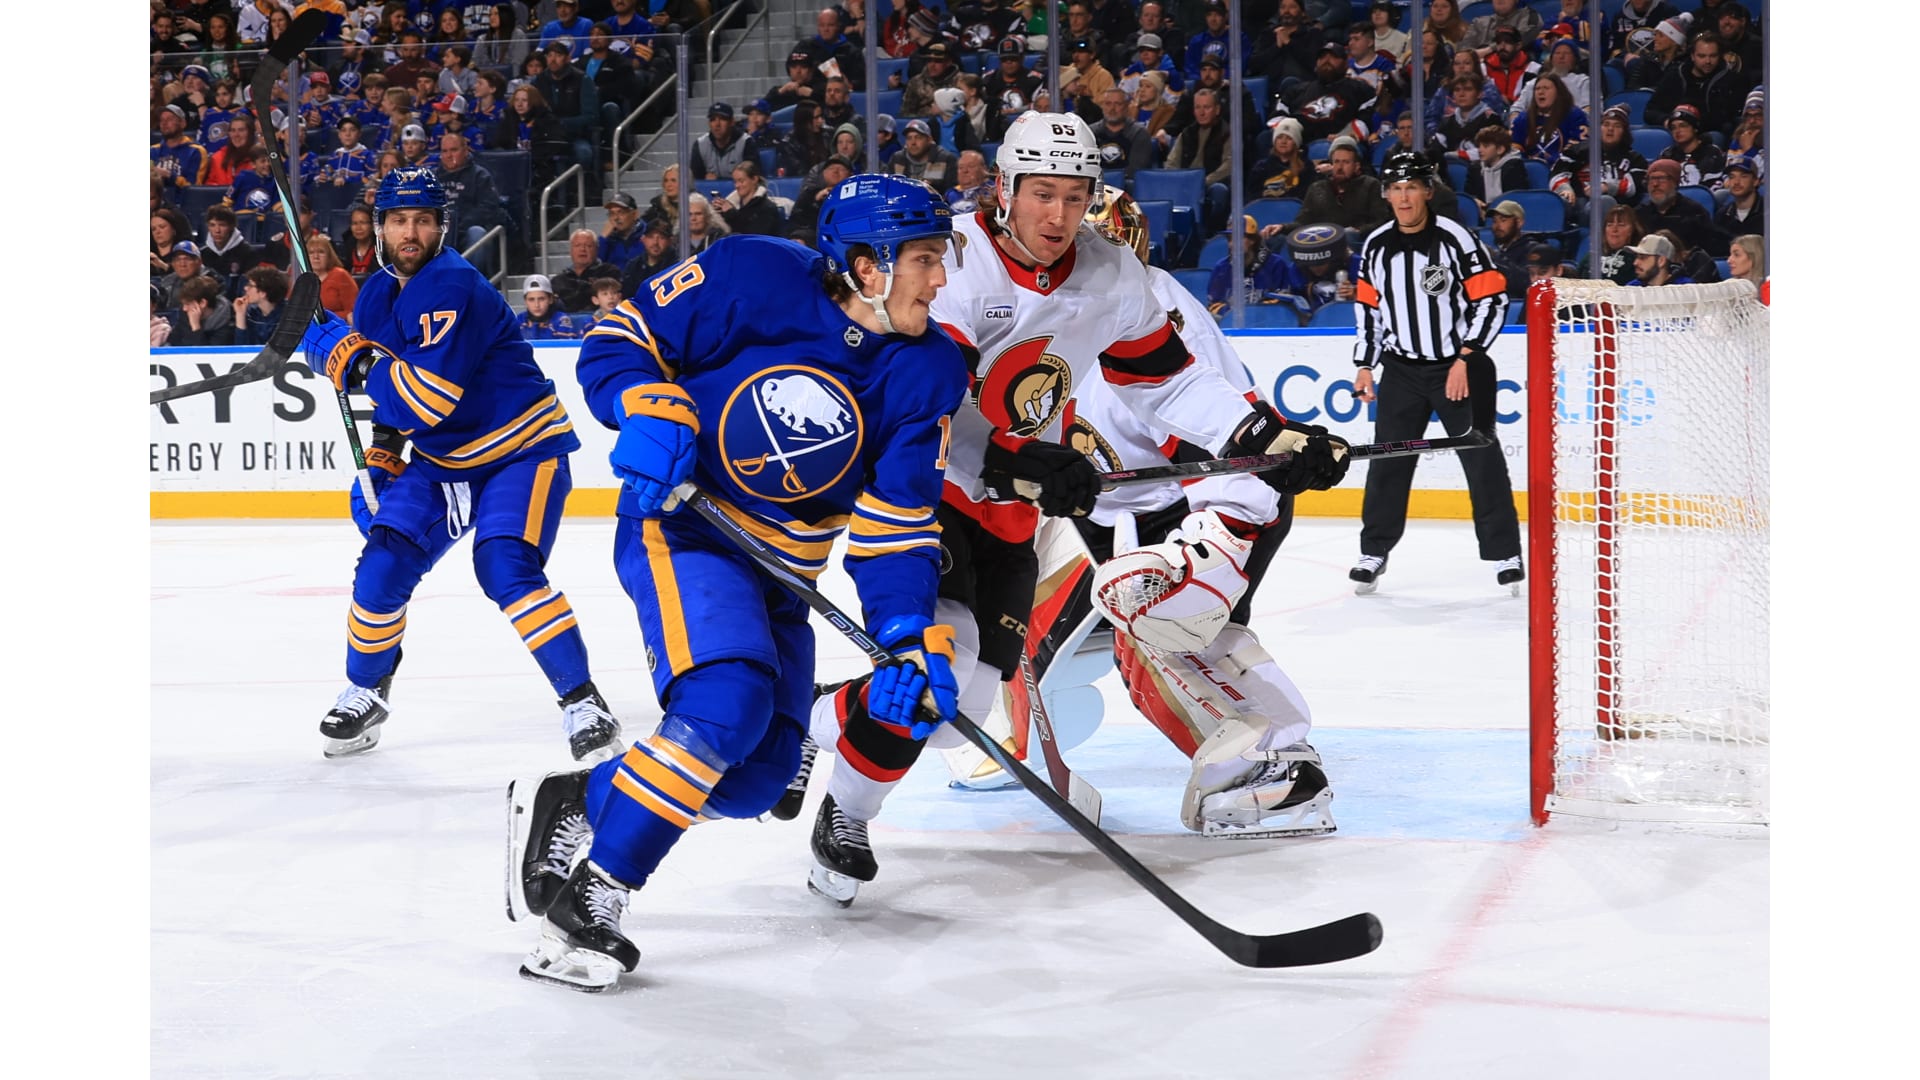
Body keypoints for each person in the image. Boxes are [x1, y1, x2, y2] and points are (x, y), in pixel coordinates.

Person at [792, 113, 1350, 904]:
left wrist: (1264, 434)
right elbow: (925, 400)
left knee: (958, 715)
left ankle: (808, 719)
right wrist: (1015, 460)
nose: (1058, 215)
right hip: (926, 498)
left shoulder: (1111, 273)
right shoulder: (953, 261)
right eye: (1042, 194)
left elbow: (1166, 381)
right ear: (1004, 189)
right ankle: (847, 817)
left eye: (1075, 195)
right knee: (933, 682)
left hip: (1011, 517)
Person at [506, 175, 968, 991]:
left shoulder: (928, 369)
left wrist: (904, 633)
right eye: (925, 260)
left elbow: (898, 526)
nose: (939, 281)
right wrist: (645, 404)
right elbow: (620, 338)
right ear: (867, 266)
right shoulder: (751, 271)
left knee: (757, 778)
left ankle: (584, 797)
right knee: (726, 702)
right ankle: (591, 901)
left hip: (786, 575)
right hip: (687, 530)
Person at [294, 168, 618, 762]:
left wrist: (352, 362)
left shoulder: (453, 285)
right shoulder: (376, 294)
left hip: (522, 451)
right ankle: (367, 691)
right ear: (379, 228)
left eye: (422, 220)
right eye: (398, 220)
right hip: (443, 460)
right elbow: (395, 405)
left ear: (440, 226)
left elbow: (426, 398)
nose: (409, 233)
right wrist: (384, 456)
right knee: (382, 565)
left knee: (505, 565)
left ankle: (583, 701)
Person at [1348, 151, 1522, 595]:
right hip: (1401, 370)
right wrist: (1365, 364)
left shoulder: (1456, 239)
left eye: (1412, 187)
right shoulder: (1376, 245)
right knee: (1388, 462)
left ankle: (1505, 552)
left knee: (1482, 458)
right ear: (1386, 194)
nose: (1404, 197)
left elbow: (1492, 299)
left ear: (1427, 191)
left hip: (1455, 367)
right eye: (1396, 188)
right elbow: (1368, 310)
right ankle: (1373, 551)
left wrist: (1467, 357)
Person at [1646, 30, 1747, 136]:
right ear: (1693, 56)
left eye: (1713, 56)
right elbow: (1650, 112)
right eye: (1702, 56)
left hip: (1708, 134)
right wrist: (1668, 121)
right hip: (1674, 131)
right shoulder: (1674, 76)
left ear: (1720, 56)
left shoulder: (1731, 80)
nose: (1708, 61)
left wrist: (1691, 125)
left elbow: (1726, 118)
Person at [1299, 138, 1388, 233]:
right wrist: (1287, 228)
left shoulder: (1371, 185)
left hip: (1359, 238)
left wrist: (1359, 231)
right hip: (1323, 238)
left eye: (1346, 162)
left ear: (1356, 166)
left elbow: (1381, 220)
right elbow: (1302, 222)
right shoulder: (1317, 188)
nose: (1340, 167)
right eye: (1336, 162)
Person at [1637, 158, 1724, 257]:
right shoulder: (1640, 213)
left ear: (1675, 182)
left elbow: (1707, 249)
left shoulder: (1694, 212)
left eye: (1661, 178)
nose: (1655, 184)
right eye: (1651, 179)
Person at [1657, 103, 1726, 189]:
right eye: (1673, 127)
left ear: (1695, 128)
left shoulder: (1712, 152)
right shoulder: (1667, 154)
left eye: (1683, 126)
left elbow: (1716, 184)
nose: (1677, 131)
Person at [552, 229, 623, 314]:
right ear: (571, 250)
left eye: (588, 246)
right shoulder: (558, 280)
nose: (582, 249)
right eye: (577, 245)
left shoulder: (609, 272)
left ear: (597, 249)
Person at [712, 160, 788, 236]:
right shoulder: (731, 205)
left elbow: (753, 237)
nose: (737, 185)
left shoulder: (767, 208)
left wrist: (731, 215)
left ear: (754, 179)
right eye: (735, 181)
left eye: (741, 181)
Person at [887, 119, 959, 194]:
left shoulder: (946, 159)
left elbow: (953, 193)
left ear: (929, 140)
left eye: (918, 137)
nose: (913, 142)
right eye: (909, 138)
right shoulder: (897, 159)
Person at [1251, 117, 1315, 201]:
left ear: (1296, 143)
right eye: (1279, 137)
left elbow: (1307, 197)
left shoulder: (1307, 167)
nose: (1283, 142)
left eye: (1289, 138)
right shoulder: (1261, 167)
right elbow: (1250, 197)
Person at [231, 266, 292, 347]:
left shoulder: (289, 315)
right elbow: (241, 349)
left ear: (263, 293)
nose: (245, 288)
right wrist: (240, 315)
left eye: (250, 285)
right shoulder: (251, 314)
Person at [619, 218, 679, 297]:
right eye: (651, 237)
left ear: (670, 241)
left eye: (661, 238)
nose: (655, 242)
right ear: (643, 239)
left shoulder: (677, 265)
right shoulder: (634, 266)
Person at [170, 276, 237, 346]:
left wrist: (196, 327)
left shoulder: (226, 322)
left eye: (188, 304)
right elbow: (175, 342)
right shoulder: (185, 314)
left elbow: (210, 352)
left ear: (203, 303)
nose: (184, 309)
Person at [690, 102, 748, 183]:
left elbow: (752, 179)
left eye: (722, 119)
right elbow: (695, 179)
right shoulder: (700, 144)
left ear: (732, 122)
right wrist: (704, 179)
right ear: (709, 123)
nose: (717, 124)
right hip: (709, 190)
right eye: (713, 119)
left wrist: (720, 182)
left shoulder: (746, 142)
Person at [307, 235, 360, 321]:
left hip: (337, 325)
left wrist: (325, 317)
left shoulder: (340, 275)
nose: (316, 257)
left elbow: (353, 311)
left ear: (329, 256)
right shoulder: (303, 279)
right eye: (311, 252)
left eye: (321, 252)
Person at [517, 274, 582, 340]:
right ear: (525, 301)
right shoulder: (519, 320)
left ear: (550, 299)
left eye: (541, 299)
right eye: (531, 300)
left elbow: (567, 345)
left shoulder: (561, 319)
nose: (536, 305)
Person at [1715, 156, 1764, 239]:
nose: (1736, 182)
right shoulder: (1722, 215)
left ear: (1755, 181)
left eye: (1743, 176)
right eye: (1732, 177)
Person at [598, 191, 647, 270]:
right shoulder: (607, 241)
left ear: (635, 214)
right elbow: (596, 265)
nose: (616, 218)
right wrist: (603, 238)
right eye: (612, 213)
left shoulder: (648, 235)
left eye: (621, 212)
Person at [1621, 233, 1690, 286]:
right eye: (1637, 257)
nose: (1635, 263)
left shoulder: (1685, 288)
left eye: (1642, 257)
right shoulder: (1633, 287)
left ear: (1661, 261)